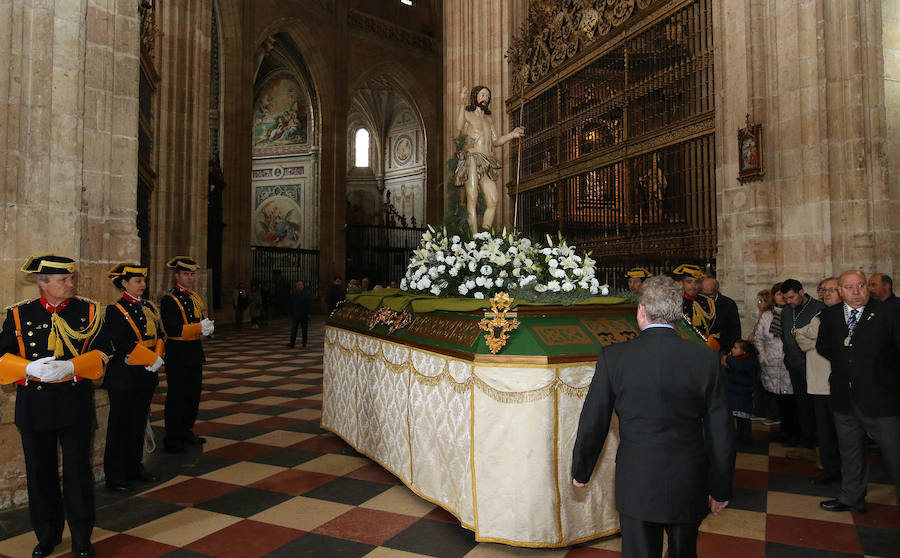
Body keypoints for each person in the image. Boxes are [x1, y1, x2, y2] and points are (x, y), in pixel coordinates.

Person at [572, 276, 734, 558]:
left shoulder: (615, 357)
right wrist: (721, 487)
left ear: (641, 310)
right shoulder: (706, 359)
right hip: (689, 478)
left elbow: (594, 420)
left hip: (638, 478)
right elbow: (721, 430)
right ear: (678, 312)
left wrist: (582, 469)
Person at [0, 255, 107, 558]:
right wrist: (28, 369)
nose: (71, 284)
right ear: (43, 283)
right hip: (35, 405)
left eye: (71, 278)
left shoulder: (89, 312)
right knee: (40, 474)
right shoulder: (20, 315)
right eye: (63, 280)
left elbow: (106, 348)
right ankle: (46, 535)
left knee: (78, 473)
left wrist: (74, 367)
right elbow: (1, 354)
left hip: (74, 403)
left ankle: (81, 538)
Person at [817, 270, 900, 512]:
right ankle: (851, 497)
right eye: (850, 287)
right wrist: (848, 363)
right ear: (840, 291)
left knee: (895, 454)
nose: (856, 292)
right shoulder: (831, 315)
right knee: (850, 452)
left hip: (881, 398)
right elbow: (824, 346)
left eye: (861, 286)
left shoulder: (888, 312)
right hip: (844, 397)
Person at [93, 263, 163, 493]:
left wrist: (159, 356)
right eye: (137, 281)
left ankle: (135, 467)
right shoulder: (114, 311)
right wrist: (149, 358)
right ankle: (115, 475)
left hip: (145, 375)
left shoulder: (149, 307)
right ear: (124, 283)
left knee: (138, 423)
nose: (143, 285)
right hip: (124, 377)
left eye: (143, 281)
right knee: (119, 426)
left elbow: (159, 335)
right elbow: (121, 344)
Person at [161, 256, 214, 453]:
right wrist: (198, 327)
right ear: (177, 276)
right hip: (177, 352)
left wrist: (205, 329)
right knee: (177, 396)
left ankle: (186, 430)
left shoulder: (194, 298)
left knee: (193, 395)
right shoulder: (169, 300)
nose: (190, 278)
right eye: (186, 274)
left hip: (193, 351)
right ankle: (173, 436)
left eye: (192, 274)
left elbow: (198, 321)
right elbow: (174, 329)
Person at [455, 84, 525, 234]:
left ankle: (484, 238)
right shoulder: (468, 114)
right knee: (472, 199)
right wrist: (461, 103)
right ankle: (474, 239)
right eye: (482, 95)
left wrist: (512, 135)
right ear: (475, 97)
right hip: (472, 157)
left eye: (487, 96)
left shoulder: (488, 120)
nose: (485, 98)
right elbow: (459, 126)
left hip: (487, 160)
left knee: (493, 200)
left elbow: (495, 141)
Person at [795, 277, 842, 485]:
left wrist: (815, 338)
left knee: (843, 430)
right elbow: (800, 337)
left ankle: (847, 474)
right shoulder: (820, 315)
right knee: (824, 430)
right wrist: (814, 338)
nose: (826, 293)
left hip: (838, 382)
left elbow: (835, 343)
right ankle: (830, 469)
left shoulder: (847, 315)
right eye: (823, 290)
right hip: (818, 380)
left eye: (831, 289)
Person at [780, 279, 824, 457]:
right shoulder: (785, 312)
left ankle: (822, 446)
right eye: (785, 298)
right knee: (803, 406)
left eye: (791, 297)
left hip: (814, 366)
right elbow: (785, 336)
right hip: (794, 365)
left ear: (801, 292)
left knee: (818, 408)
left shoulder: (819, 308)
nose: (788, 301)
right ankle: (807, 443)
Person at [752, 288, 797, 441]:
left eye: (784, 294)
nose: (782, 296)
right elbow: (759, 338)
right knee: (778, 399)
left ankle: (794, 432)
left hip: (789, 364)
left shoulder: (794, 313)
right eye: (778, 294)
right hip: (771, 363)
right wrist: (763, 356)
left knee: (791, 401)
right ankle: (784, 430)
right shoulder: (767, 315)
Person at [673, 264, 718, 350]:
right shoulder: (674, 302)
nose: (693, 286)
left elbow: (714, 329)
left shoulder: (708, 302)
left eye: (697, 282)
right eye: (689, 282)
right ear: (681, 283)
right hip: (680, 347)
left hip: (702, 347)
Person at [722, 340, 758, 445]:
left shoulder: (747, 361)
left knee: (744, 420)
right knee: (737, 419)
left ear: (744, 352)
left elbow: (737, 367)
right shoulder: (740, 360)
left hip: (743, 396)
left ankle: (746, 438)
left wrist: (728, 358)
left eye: (735, 348)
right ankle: (739, 436)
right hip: (736, 394)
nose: (732, 349)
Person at [701, 276, 742, 356]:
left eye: (710, 295)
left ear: (716, 290)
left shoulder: (728, 304)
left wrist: (729, 354)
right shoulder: (697, 303)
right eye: (704, 295)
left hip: (721, 351)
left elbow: (735, 332)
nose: (707, 298)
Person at [289, 281, 312, 349]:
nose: (299, 286)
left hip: (304, 314)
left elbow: (309, 304)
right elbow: (291, 304)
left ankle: (304, 342)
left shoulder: (307, 294)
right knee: (294, 329)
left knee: (304, 330)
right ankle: (292, 343)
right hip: (296, 314)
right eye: (298, 285)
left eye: (300, 285)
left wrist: (309, 313)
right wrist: (291, 313)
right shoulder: (294, 294)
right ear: (296, 286)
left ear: (303, 286)